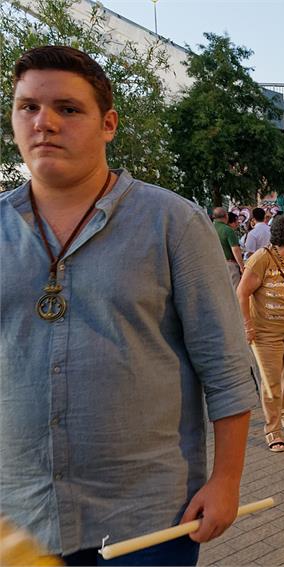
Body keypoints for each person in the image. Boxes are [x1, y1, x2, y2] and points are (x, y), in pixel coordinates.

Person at [2, 45, 256, 563]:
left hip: (148, 522)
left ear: (108, 123)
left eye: (68, 109)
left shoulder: (173, 223)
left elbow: (226, 365)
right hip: (20, 520)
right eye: (28, 107)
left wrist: (226, 480)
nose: (44, 122)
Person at [237, 214, 284, 451]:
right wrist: (248, 326)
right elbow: (242, 293)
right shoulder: (261, 259)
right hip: (266, 334)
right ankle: (273, 429)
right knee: (271, 383)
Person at [213, 206, 244, 287]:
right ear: (226, 216)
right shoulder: (227, 230)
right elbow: (235, 249)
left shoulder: (209, 227)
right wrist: (241, 266)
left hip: (214, 264)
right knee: (234, 291)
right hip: (229, 265)